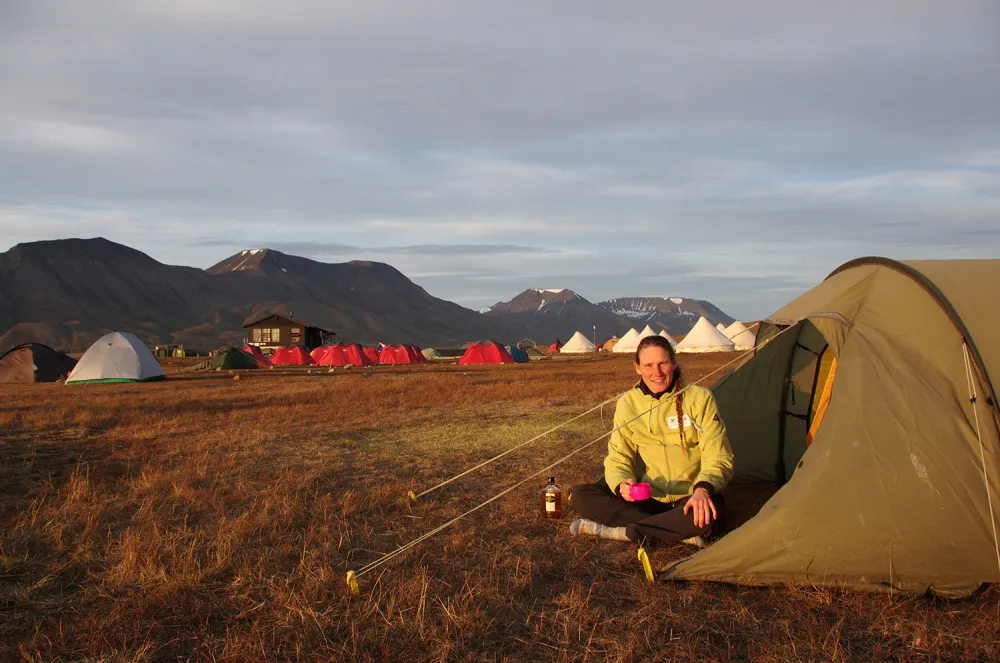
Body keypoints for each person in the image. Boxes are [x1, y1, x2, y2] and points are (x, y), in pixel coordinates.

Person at [568, 335, 734, 546]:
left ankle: (618, 532)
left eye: (662, 363)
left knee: (707, 515)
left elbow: (718, 455)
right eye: (648, 365)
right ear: (637, 368)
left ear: (673, 363)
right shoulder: (628, 403)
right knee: (581, 495)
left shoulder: (699, 398)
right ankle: (675, 532)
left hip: (690, 497)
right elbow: (618, 455)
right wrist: (621, 484)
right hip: (648, 497)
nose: (656, 373)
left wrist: (702, 490)